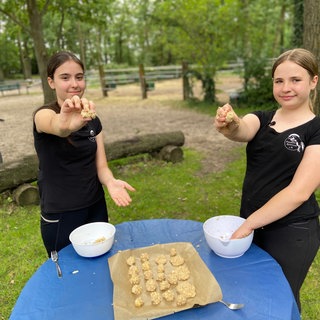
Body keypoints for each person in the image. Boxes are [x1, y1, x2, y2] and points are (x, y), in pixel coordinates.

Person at [214, 48, 320, 311]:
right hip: (251, 225)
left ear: (313, 81)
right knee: (249, 293)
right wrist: (230, 123)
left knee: (280, 300)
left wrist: (249, 224)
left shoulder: (316, 129)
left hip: (291, 232)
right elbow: (241, 129)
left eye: (296, 80)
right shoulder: (262, 118)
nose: (286, 87)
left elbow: (299, 192)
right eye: (279, 81)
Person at [33, 51, 135, 257]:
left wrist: (111, 182)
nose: (74, 84)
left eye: (79, 77)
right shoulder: (44, 115)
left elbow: (102, 167)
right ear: (51, 82)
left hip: (95, 207)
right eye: (65, 77)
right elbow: (57, 127)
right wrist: (65, 123)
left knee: (100, 265)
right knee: (66, 273)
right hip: (61, 214)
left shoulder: (92, 120)